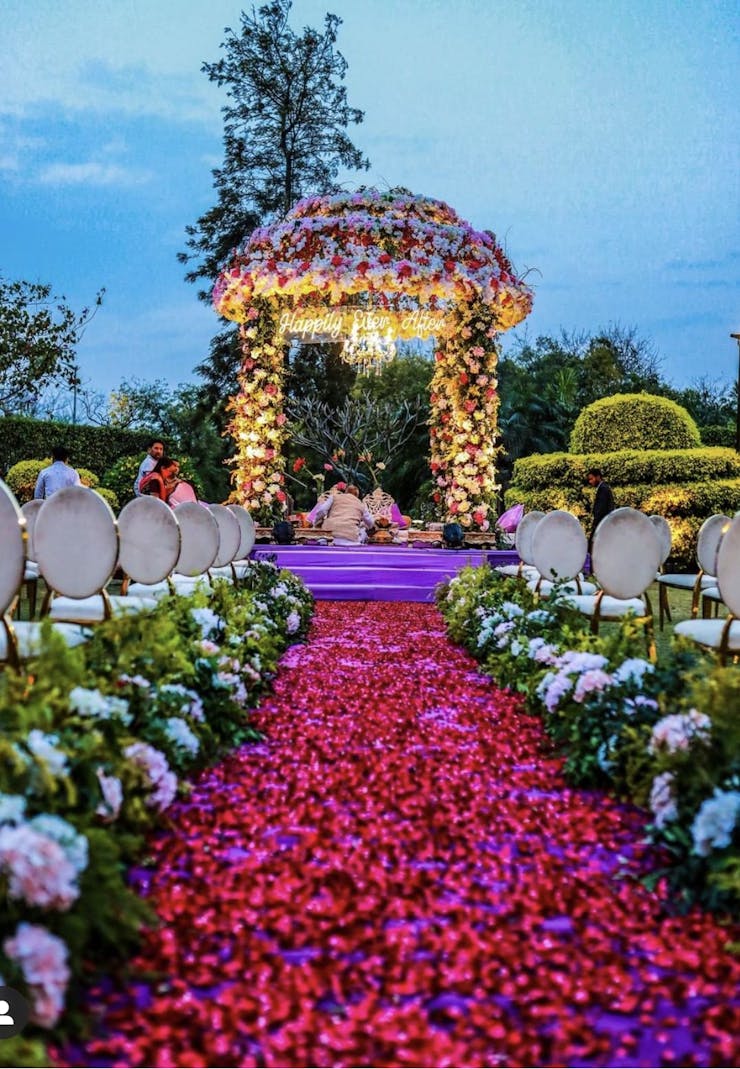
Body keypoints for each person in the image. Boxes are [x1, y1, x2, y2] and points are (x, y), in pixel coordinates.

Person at [586, 467, 615, 548]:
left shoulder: (603, 489)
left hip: (602, 523)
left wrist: (595, 524)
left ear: (598, 477)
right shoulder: (604, 488)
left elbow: (601, 509)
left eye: (592, 479)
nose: (590, 482)